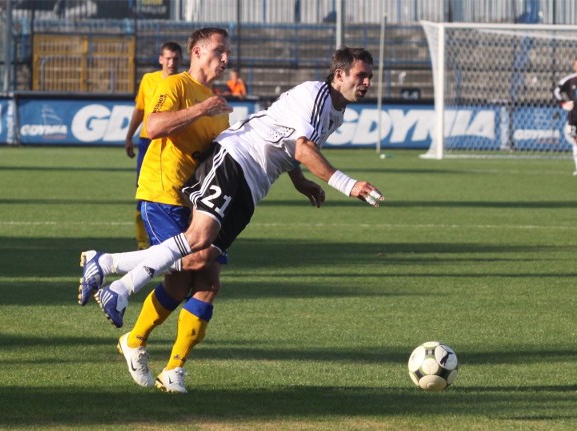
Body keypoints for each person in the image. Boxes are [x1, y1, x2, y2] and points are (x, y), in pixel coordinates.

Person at [86, 46, 384, 392]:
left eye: (369, 76)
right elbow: (301, 146)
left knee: (205, 272)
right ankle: (114, 275)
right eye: (361, 75)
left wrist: (300, 180)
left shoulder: (336, 112)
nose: (367, 81)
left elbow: (289, 147)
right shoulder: (316, 95)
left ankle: (168, 367)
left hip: (253, 186)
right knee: (199, 238)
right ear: (339, 75)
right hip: (235, 158)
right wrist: (347, 184)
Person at [78, 27, 233, 394]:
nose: (225, 59)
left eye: (227, 53)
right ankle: (107, 264)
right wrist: (201, 109)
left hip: (193, 203)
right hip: (162, 195)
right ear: (196, 52)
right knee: (195, 266)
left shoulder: (219, 107)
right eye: (219, 51)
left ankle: (159, 358)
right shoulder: (176, 86)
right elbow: (154, 125)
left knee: (198, 282)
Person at [124, 41, 183, 250]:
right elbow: (140, 110)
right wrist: (129, 136)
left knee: (172, 189)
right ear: (160, 59)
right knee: (143, 189)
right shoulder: (149, 80)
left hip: (172, 141)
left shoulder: (184, 82)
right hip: (147, 140)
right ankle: (143, 243)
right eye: (168, 58)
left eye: (175, 58)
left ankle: (172, 237)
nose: (171, 62)